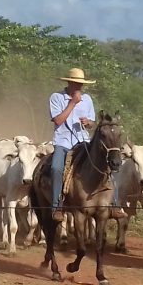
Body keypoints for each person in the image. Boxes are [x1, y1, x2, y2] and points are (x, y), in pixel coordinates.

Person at [49, 67, 97, 221]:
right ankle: (57, 207)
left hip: (82, 141)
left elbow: (92, 123)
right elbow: (58, 120)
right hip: (62, 141)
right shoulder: (56, 97)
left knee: (104, 164)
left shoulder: (88, 99)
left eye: (81, 84)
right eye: (76, 84)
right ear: (69, 82)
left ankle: (113, 204)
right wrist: (72, 103)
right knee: (56, 168)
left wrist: (88, 122)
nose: (79, 87)